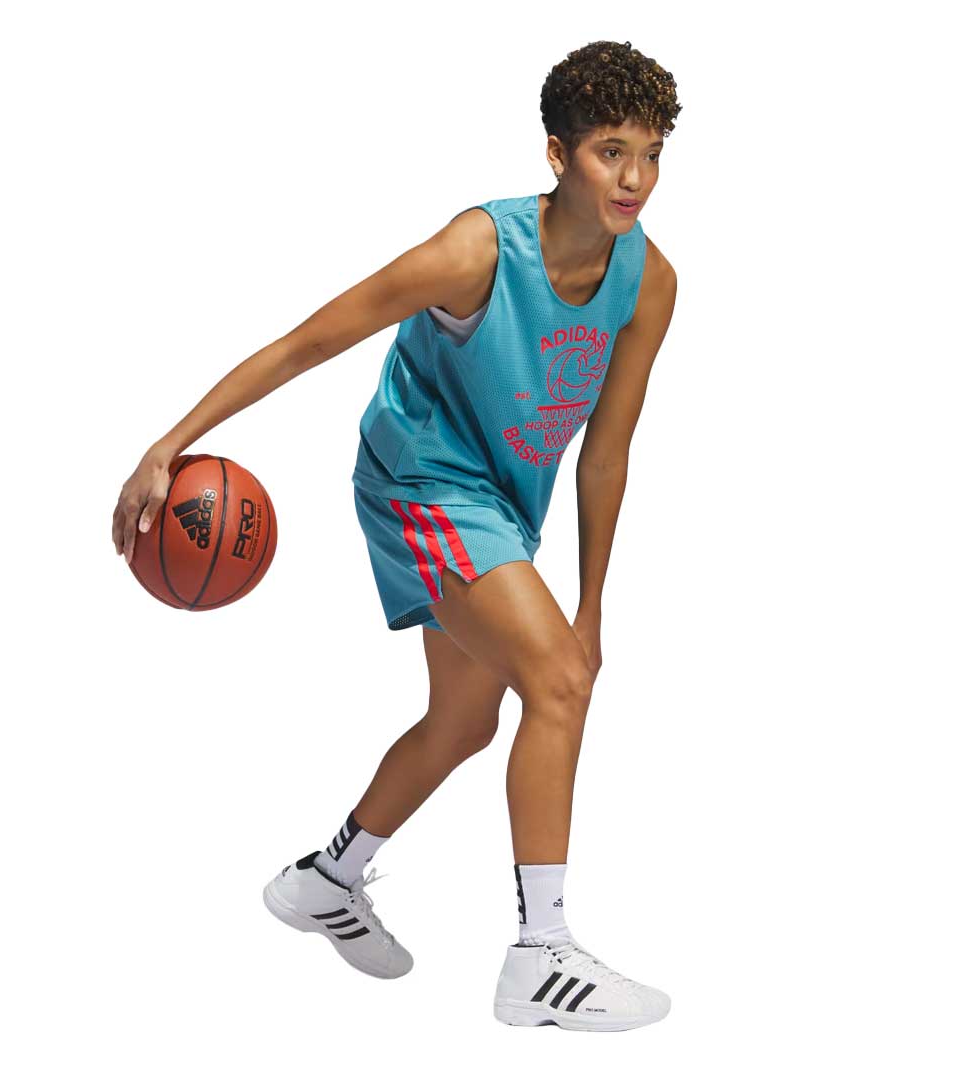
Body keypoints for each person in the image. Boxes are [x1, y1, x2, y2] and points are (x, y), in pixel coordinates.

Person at [111, 39, 680, 1032]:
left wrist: (592, 605)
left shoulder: (650, 281)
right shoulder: (476, 251)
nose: (634, 178)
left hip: (502, 505)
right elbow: (310, 340)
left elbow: (605, 454)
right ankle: (541, 956)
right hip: (419, 482)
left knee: (467, 721)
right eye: (609, 151)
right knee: (556, 683)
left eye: (651, 154)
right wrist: (171, 442)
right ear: (557, 155)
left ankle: (325, 879)